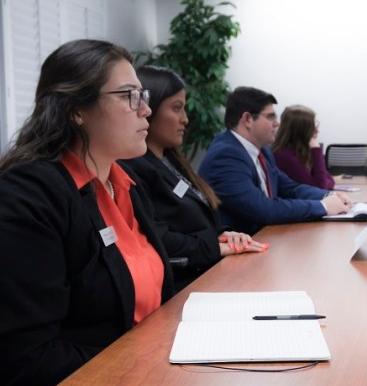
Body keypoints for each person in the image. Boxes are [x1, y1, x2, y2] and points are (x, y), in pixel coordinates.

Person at [0, 39, 174, 386]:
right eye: (129, 96)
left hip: (134, 379)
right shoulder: (25, 202)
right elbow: (20, 362)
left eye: (142, 95)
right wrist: (144, 361)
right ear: (76, 110)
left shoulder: (123, 182)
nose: (146, 109)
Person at [122, 67, 267, 291]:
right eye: (176, 108)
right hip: (183, 285)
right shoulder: (135, 168)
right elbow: (158, 237)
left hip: (208, 272)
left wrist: (223, 234)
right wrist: (214, 246)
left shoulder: (170, 160)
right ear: (149, 109)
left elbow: (193, 221)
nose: (185, 119)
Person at [198, 86, 352, 235]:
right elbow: (262, 209)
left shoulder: (262, 150)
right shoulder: (226, 156)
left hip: (266, 238)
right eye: (270, 117)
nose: (277, 123)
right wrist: (323, 206)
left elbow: (290, 188)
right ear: (248, 119)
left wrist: (328, 195)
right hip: (238, 252)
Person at [271, 104, 334, 189]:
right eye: (313, 127)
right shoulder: (285, 156)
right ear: (302, 130)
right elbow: (319, 188)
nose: (317, 130)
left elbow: (330, 180)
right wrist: (316, 150)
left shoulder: (301, 150)